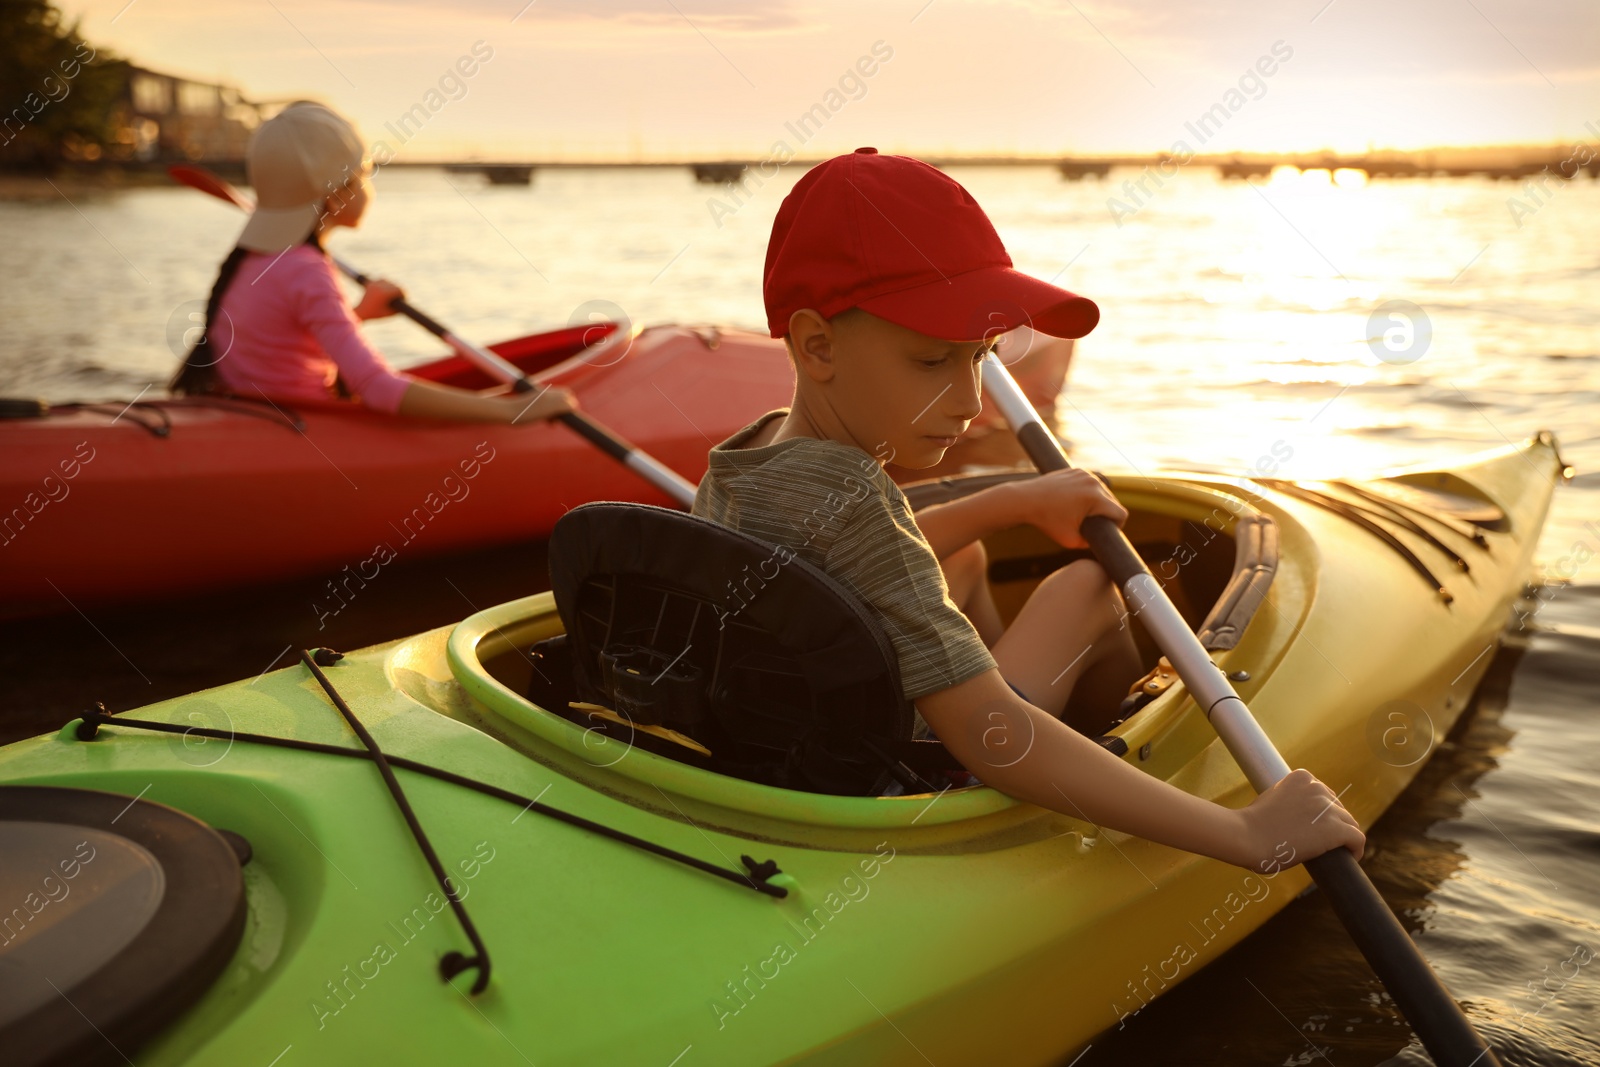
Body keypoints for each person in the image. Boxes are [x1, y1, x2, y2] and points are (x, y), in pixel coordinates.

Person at [692, 147, 1363, 874]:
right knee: (1085, 588)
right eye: (932, 361)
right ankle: (1121, 757)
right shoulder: (854, 500)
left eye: (980, 356)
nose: (971, 399)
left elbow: (839, 558)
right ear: (817, 344)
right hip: (923, 769)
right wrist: (1248, 835)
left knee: (970, 556)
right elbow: (988, 731)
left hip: (801, 735)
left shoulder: (753, 451)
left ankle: (1066, 736)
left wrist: (1012, 500)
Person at [170, 101, 574, 425]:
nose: (368, 184)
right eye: (363, 173)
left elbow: (278, 338)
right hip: (308, 426)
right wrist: (512, 411)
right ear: (337, 194)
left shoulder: (256, 259)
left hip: (258, 415)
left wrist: (358, 314)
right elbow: (378, 389)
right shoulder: (307, 269)